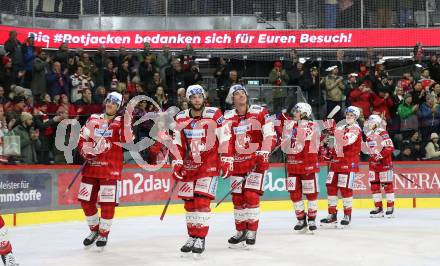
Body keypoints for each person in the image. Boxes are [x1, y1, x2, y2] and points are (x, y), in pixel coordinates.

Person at [170, 84, 224, 257]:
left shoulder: (214, 114)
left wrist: (227, 159)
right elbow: (177, 142)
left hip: (209, 163)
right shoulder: (180, 117)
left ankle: (201, 237)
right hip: (189, 165)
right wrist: (176, 162)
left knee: (201, 202)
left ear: (204, 97)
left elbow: (225, 137)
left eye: (199, 96)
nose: (197, 100)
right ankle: (192, 235)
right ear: (188, 99)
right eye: (193, 97)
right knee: (189, 204)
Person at [221, 84, 276, 248]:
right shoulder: (227, 117)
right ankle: (241, 231)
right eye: (236, 94)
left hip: (255, 162)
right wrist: (227, 158)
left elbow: (270, 134)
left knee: (251, 196)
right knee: (238, 199)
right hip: (237, 164)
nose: (240, 95)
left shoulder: (260, 112)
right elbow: (226, 140)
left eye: (242, 92)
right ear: (232, 99)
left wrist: (265, 151)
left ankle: (252, 230)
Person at [77, 92, 132, 250]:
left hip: (110, 169)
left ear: (118, 106)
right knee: (85, 201)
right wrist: (86, 150)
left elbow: (127, 140)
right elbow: (82, 138)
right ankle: (94, 230)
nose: (110, 104)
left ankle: (104, 232)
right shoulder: (93, 118)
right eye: (109, 101)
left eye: (114, 103)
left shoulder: (121, 121)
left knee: (107, 203)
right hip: (91, 168)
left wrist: (126, 123)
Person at [277, 103, 320, 232]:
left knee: (311, 194)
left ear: (304, 113)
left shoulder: (313, 125)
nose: (294, 113)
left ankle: (312, 220)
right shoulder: (290, 125)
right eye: (294, 110)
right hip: (292, 165)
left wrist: (295, 131)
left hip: (308, 165)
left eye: (297, 111)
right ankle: (301, 219)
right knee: (294, 194)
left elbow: (306, 136)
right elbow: (282, 134)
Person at [321, 106, 362, 227]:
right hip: (336, 162)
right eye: (348, 114)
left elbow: (344, 141)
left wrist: (333, 129)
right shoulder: (342, 127)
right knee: (331, 187)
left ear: (356, 117)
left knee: (345, 189)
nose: (349, 117)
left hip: (348, 163)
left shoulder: (356, 129)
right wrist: (328, 152)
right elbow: (334, 142)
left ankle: (347, 215)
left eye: (352, 115)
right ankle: (332, 215)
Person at [365, 114, 395, 218]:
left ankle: (390, 207)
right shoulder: (368, 134)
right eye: (368, 122)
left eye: (371, 122)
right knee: (374, 186)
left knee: (387, 185)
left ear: (376, 123)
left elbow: (390, 147)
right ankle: (378, 207)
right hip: (373, 165)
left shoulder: (382, 132)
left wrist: (379, 156)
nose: (369, 124)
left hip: (384, 163)